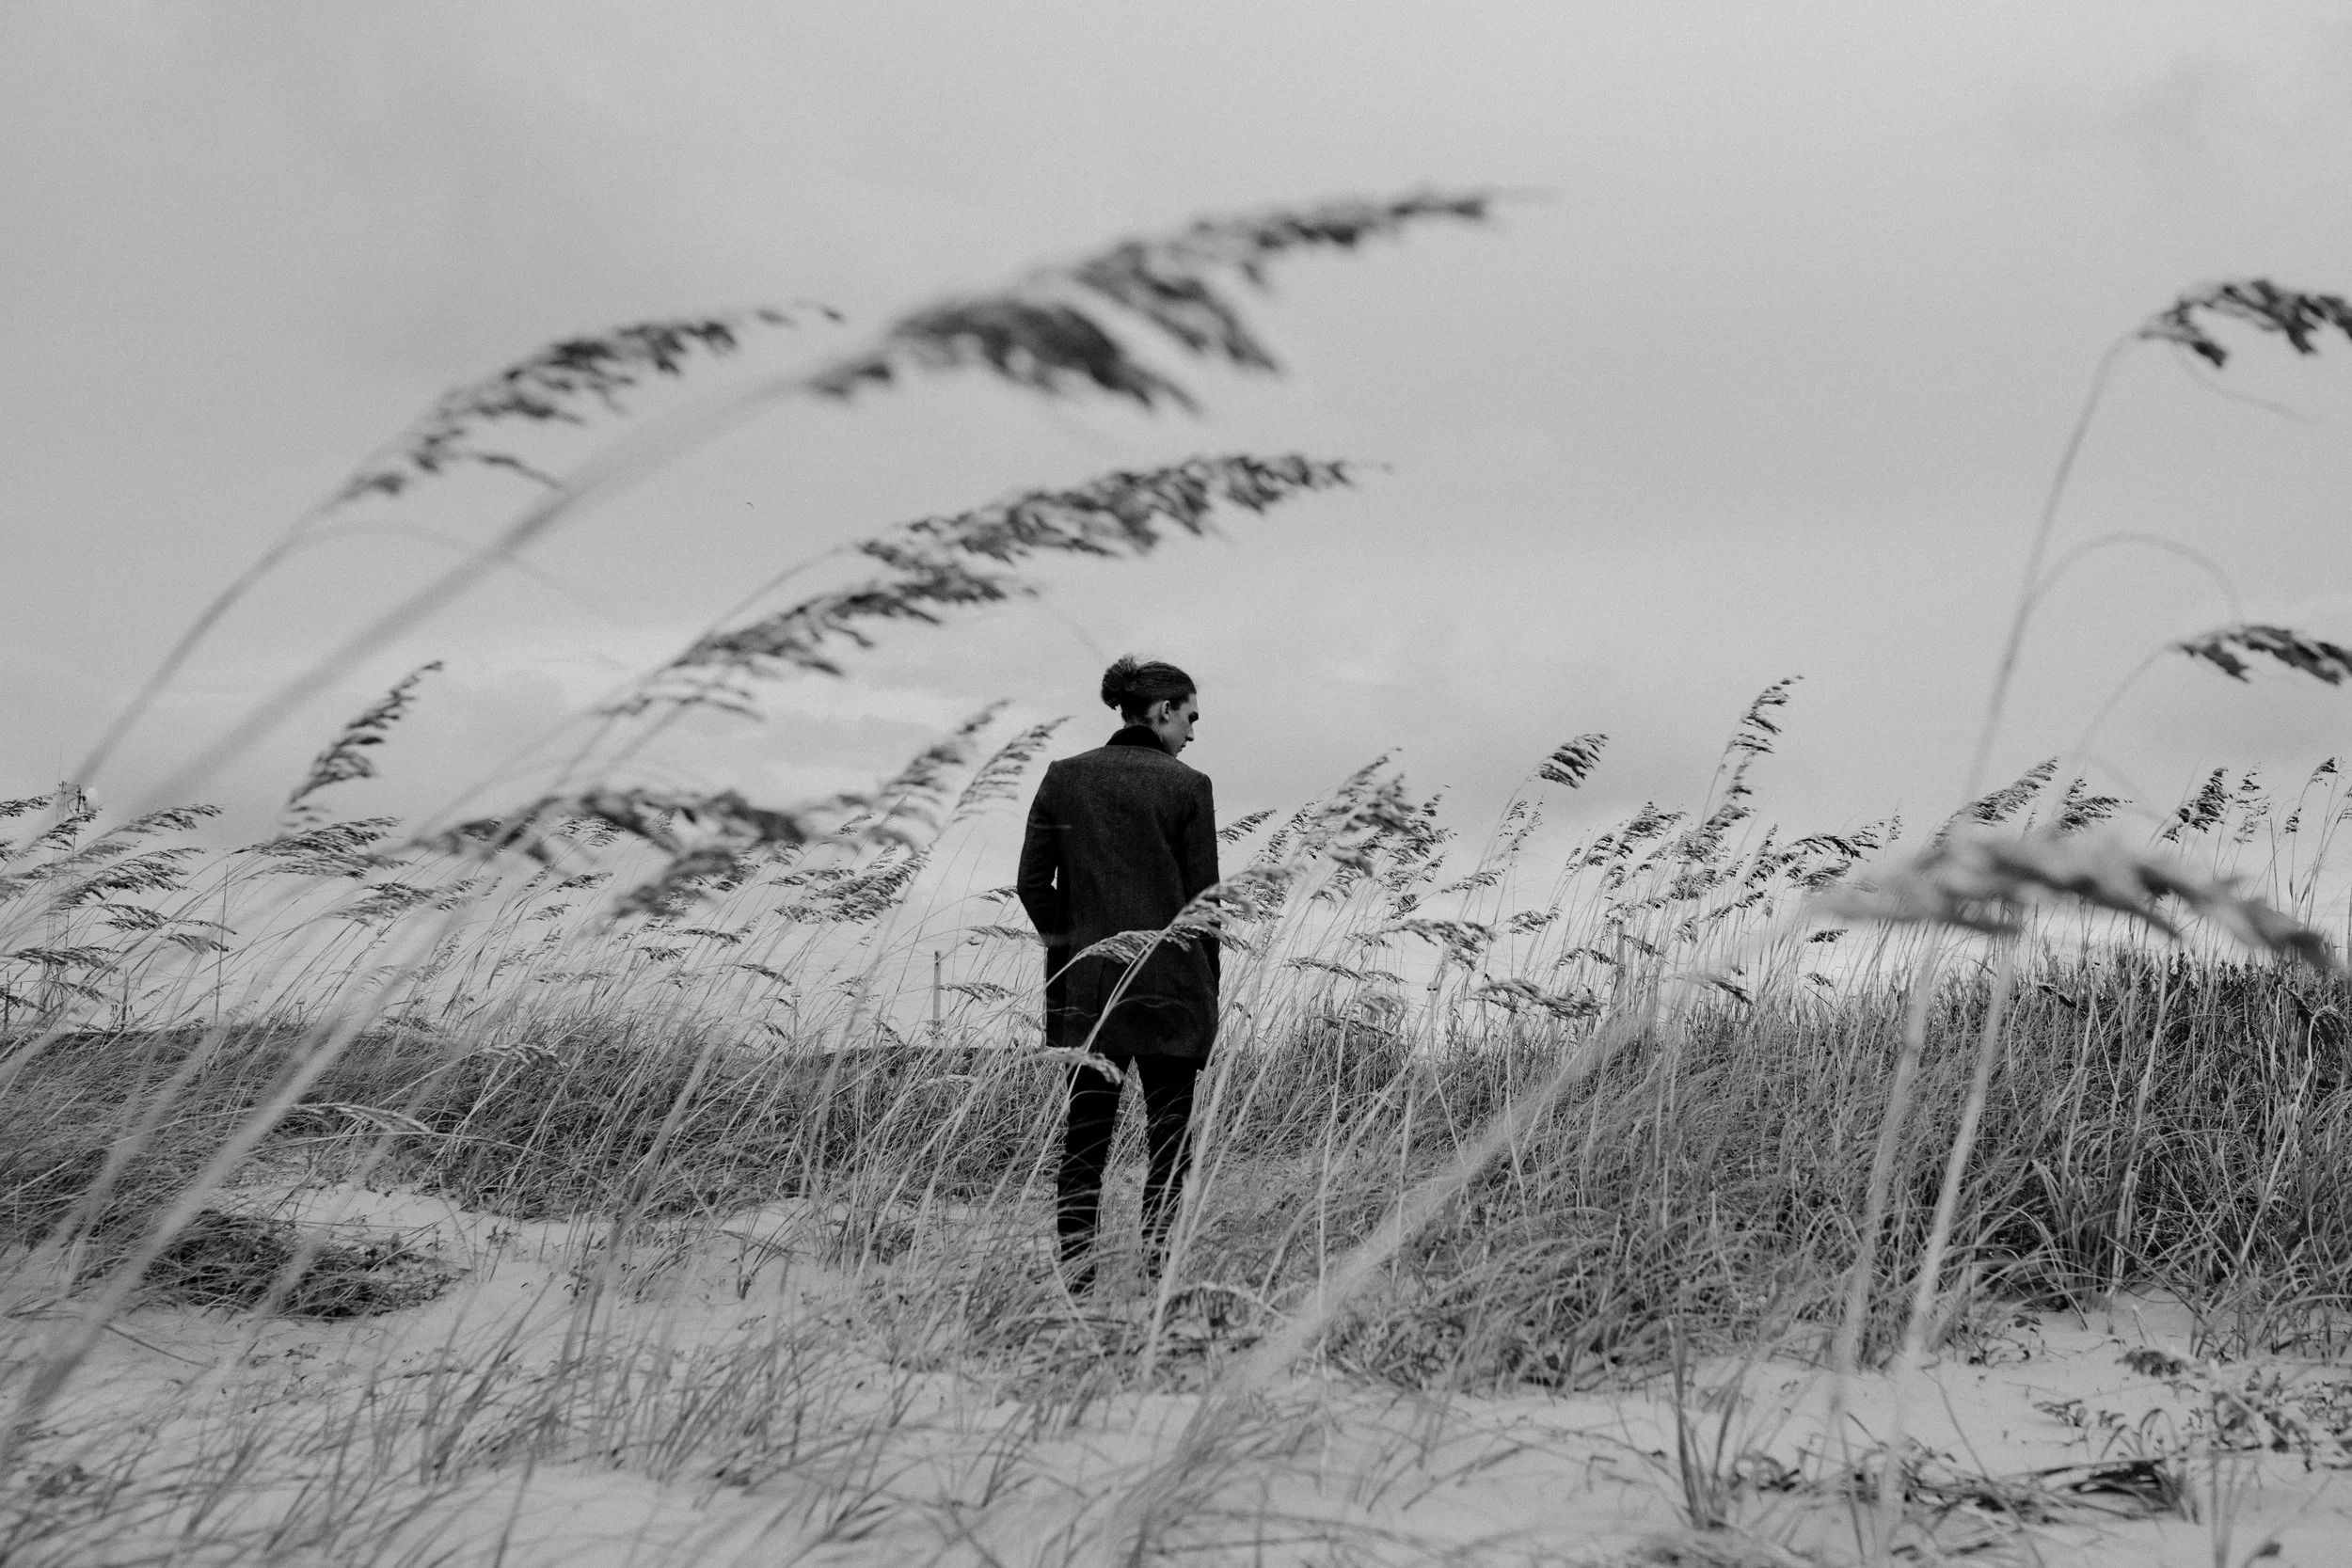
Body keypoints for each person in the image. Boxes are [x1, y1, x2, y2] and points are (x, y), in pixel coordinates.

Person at [1017, 656, 1220, 1292]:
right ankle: (1158, 1280)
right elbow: (1204, 906)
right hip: (1171, 993)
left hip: (1090, 992)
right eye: (1189, 716)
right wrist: (1206, 993)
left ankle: (1078, 1281)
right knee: (1169, 1146)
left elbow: (1031, 883)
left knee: (1083, 1145)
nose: (1192, 732)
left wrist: (1074, 949)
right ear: (1162, 711)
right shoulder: (1189, 787)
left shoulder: (1063, 777)